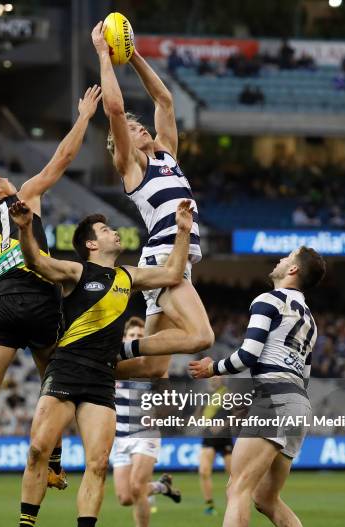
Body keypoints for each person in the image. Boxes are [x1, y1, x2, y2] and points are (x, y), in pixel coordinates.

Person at [0, 199, 194, 527]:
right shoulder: (76, 270)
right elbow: (39, 261)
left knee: (99, 463)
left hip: (102, 376)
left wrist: (183, 231)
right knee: (39, 448)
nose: (113, 232)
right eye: (105, 230)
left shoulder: (128, 276)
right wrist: (24, 228)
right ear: (91, 243)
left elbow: (172, 273)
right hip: (66, 369)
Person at [0, 86, 102, 498]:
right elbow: (62, 160)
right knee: (52, 384)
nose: (7, 178)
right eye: (1, 177)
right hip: (39, 297)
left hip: (3, 306)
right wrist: (84, 116)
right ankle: (53, 461)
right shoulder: (25, 198)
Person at [181, 246, 337, 527]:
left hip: (274, 401)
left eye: (286, 258)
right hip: (298, 403)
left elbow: (248, 355)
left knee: (238, 488)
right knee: (267, 497)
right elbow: (304, 375)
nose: (279, 260)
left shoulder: (268, 299)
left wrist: (212, 368)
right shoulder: (309, 319)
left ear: (294, 269)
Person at [91, 21, 214, 381]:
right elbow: (114, 109)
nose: (139, 127)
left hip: (177, 259)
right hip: (164, 260)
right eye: (132, 129)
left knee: (153, 368)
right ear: (121, 143)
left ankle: (83, 367)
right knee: (202, 336)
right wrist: (104, 55)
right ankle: (114, 347)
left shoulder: (167, 155)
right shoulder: (130, 165)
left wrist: (132, 56)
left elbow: (165, 99)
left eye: (139, 125)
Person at [112, 316, 181, 527]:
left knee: (136, 485)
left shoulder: (152, 367)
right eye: (132, 336)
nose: (135, 340)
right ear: (124, 339)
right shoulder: (114, 365)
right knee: (125, 497)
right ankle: (162, 487)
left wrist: (159, 411)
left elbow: (169, 403)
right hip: (119, 438)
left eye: (140, 337)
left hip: (145, 433)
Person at [198, 378, 233, 516]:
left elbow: (237, 415)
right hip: (208, 436)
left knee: (232, 474)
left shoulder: (228, 394)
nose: (213, 379)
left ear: (222, 378)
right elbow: (199, 414)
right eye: (211, 377)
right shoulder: (204, 395)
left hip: (225, 438)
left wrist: (222, 425)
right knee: (204, 471)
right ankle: (209, 505)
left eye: (216, 376)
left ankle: (231, 505)